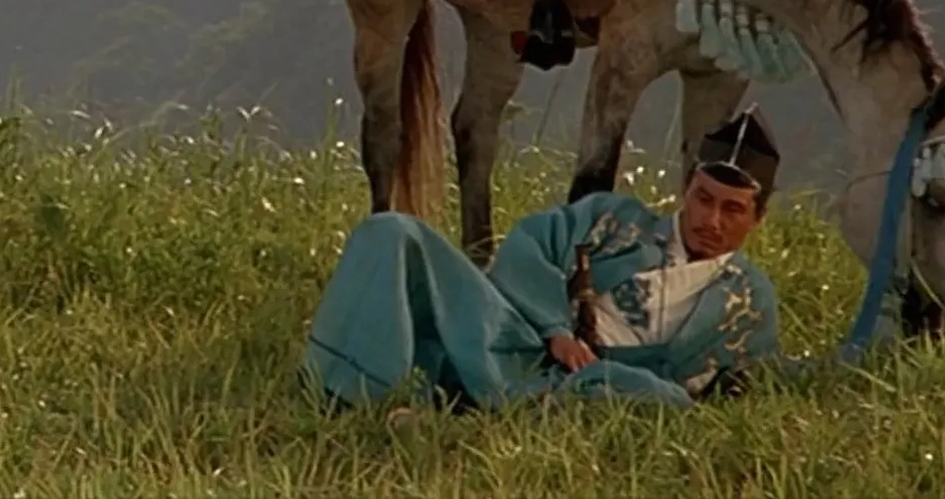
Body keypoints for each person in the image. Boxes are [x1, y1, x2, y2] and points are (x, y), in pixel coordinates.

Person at [302, 105, 786, 414]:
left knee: (664, 400)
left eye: (732, 209)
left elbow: (751, 375)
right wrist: (555, 329)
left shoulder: (749, 300)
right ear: (686, 191)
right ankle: (342, 393)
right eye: (704, 199)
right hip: (516, 338)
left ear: (756, 218)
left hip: (605, 382)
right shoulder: (616, 219)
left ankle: (462, 405)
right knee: (393, 231)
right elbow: (532, 244)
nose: (712, 219)